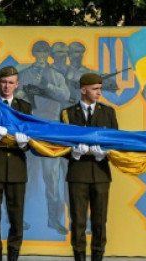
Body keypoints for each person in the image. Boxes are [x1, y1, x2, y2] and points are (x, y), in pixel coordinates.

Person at [61, 73, 118, 261]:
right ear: (83, 90)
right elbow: (61, 144)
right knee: (78, 220)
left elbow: (115, 141)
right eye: (95, 89)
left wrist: (105, 152)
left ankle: (98, 256)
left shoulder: (108, 112)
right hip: (77, 173)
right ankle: (79, 256)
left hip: (101, 173)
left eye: (100, 89)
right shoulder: (68, 113)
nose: (99, 93)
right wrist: (74, 153)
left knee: (100, 220)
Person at [21, 40, 70, 234]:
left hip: (51, 129)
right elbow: (18, 98)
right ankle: (19, 217)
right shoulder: (25, 74)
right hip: (30, 129)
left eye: (44, 51)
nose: (41, 54)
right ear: (33, 53)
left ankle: (53, 218)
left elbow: (65, 96)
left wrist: (47, 85)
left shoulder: (56, 75)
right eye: (38, 51)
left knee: (52, 177)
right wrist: (26, 91)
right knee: (25, 176)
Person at [0, 66, 33, 261]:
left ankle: (13, 256)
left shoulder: (24, 108)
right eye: (4, 82)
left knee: (16, 217)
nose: (7, 86)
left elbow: (31, 137)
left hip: (16, 167)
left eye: (11, 82)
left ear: (17, 84)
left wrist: (25, 144)